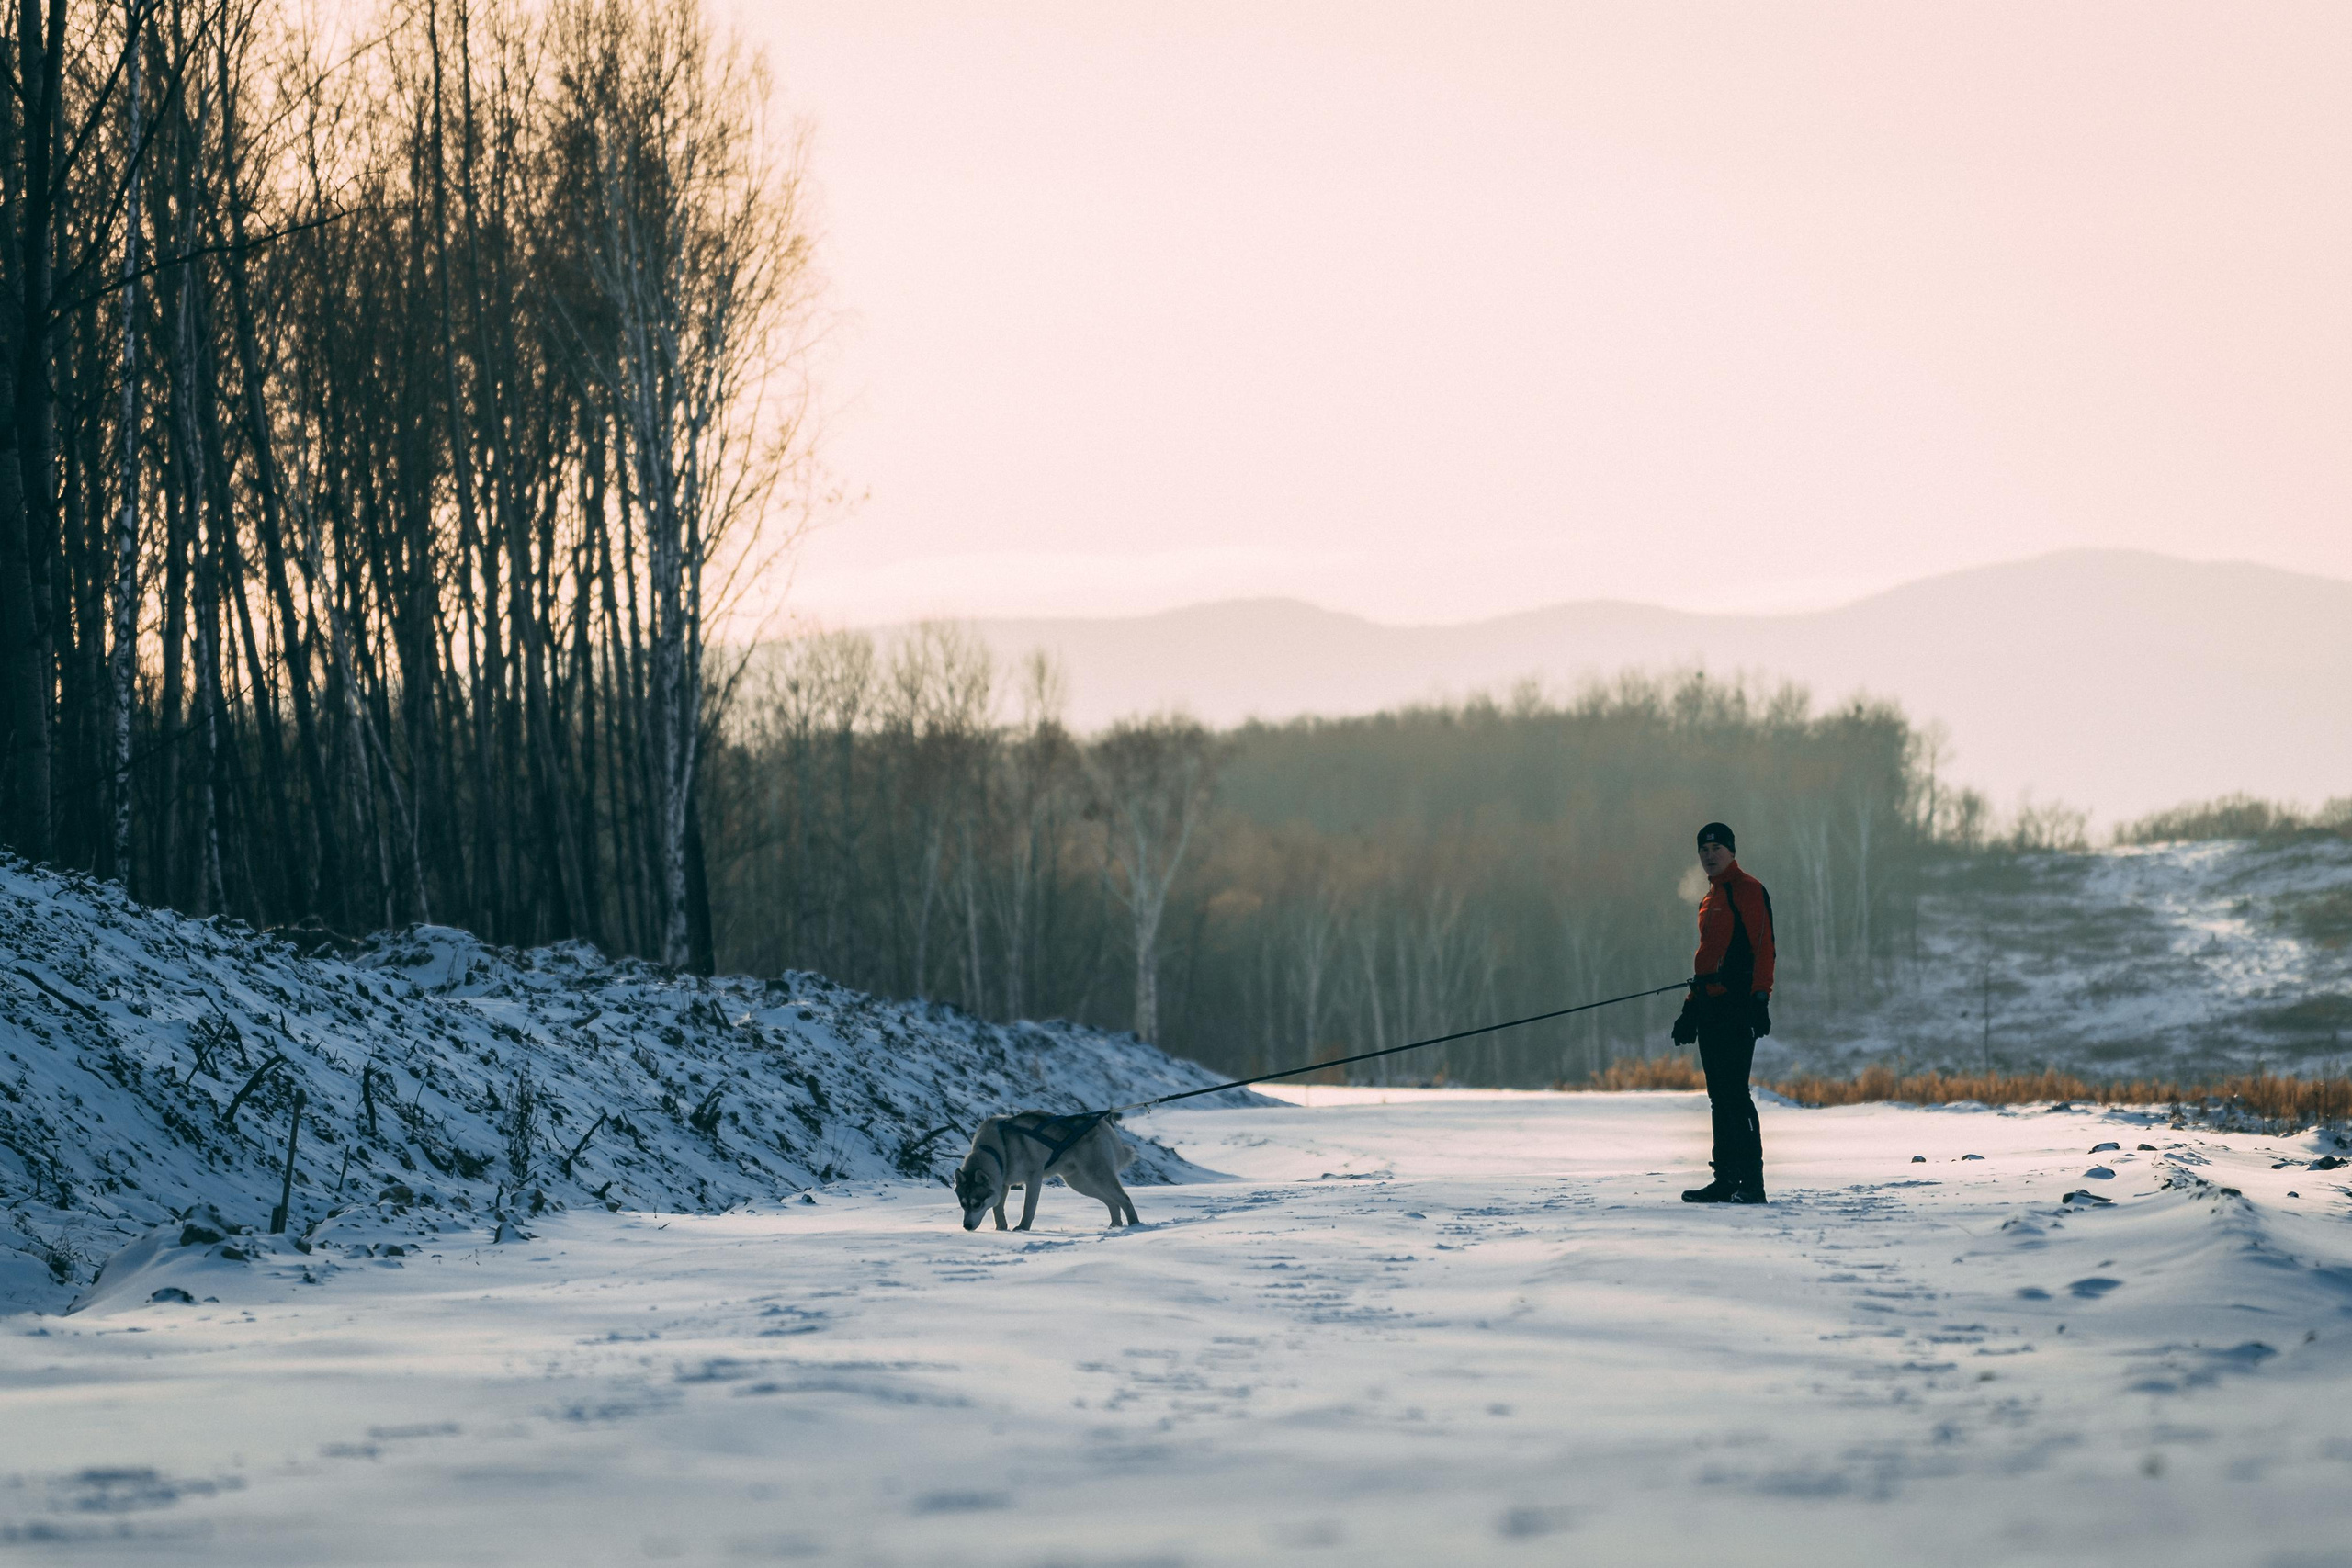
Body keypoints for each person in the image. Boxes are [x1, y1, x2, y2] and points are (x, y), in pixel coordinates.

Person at [1671, 821, 1774, 1203]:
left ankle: (1752, 1182)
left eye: (1716, 849)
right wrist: (1690, 1011)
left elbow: (1765, 948)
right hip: (1710, 1005)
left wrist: (1760, 999)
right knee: (1719, 1097)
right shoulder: (1709, 899)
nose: (1709, 856)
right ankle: (1726, 1178)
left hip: (1738, 1005)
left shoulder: (1748, 890)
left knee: (1735, 1094)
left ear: (1732, 851)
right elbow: (1705, 961)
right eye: (1703, 850)